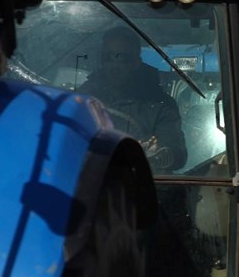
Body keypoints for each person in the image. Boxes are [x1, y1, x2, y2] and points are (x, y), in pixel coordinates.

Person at [79, 27, 187, 173]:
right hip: (88, 184)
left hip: (141, 185)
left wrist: (156, 154)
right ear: (101, 60)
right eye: (108, 57)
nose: (115, 65)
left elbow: (177, 154)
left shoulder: (160, 105)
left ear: (136, 62)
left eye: (123, 58)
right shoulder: (81, 101)